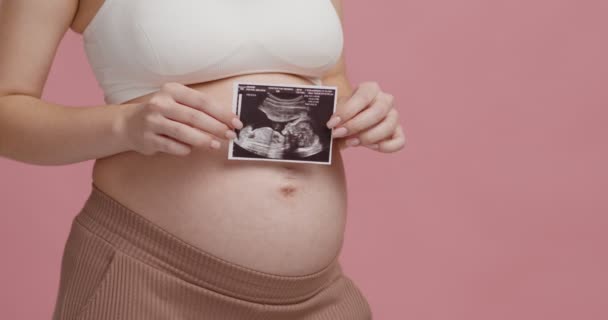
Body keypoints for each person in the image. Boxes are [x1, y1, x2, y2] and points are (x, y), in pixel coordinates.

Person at [0, 0, 405, 319]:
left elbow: (330, 82)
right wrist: (123, 125)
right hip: (151, 283)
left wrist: (362, 113)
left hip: (317, 297)